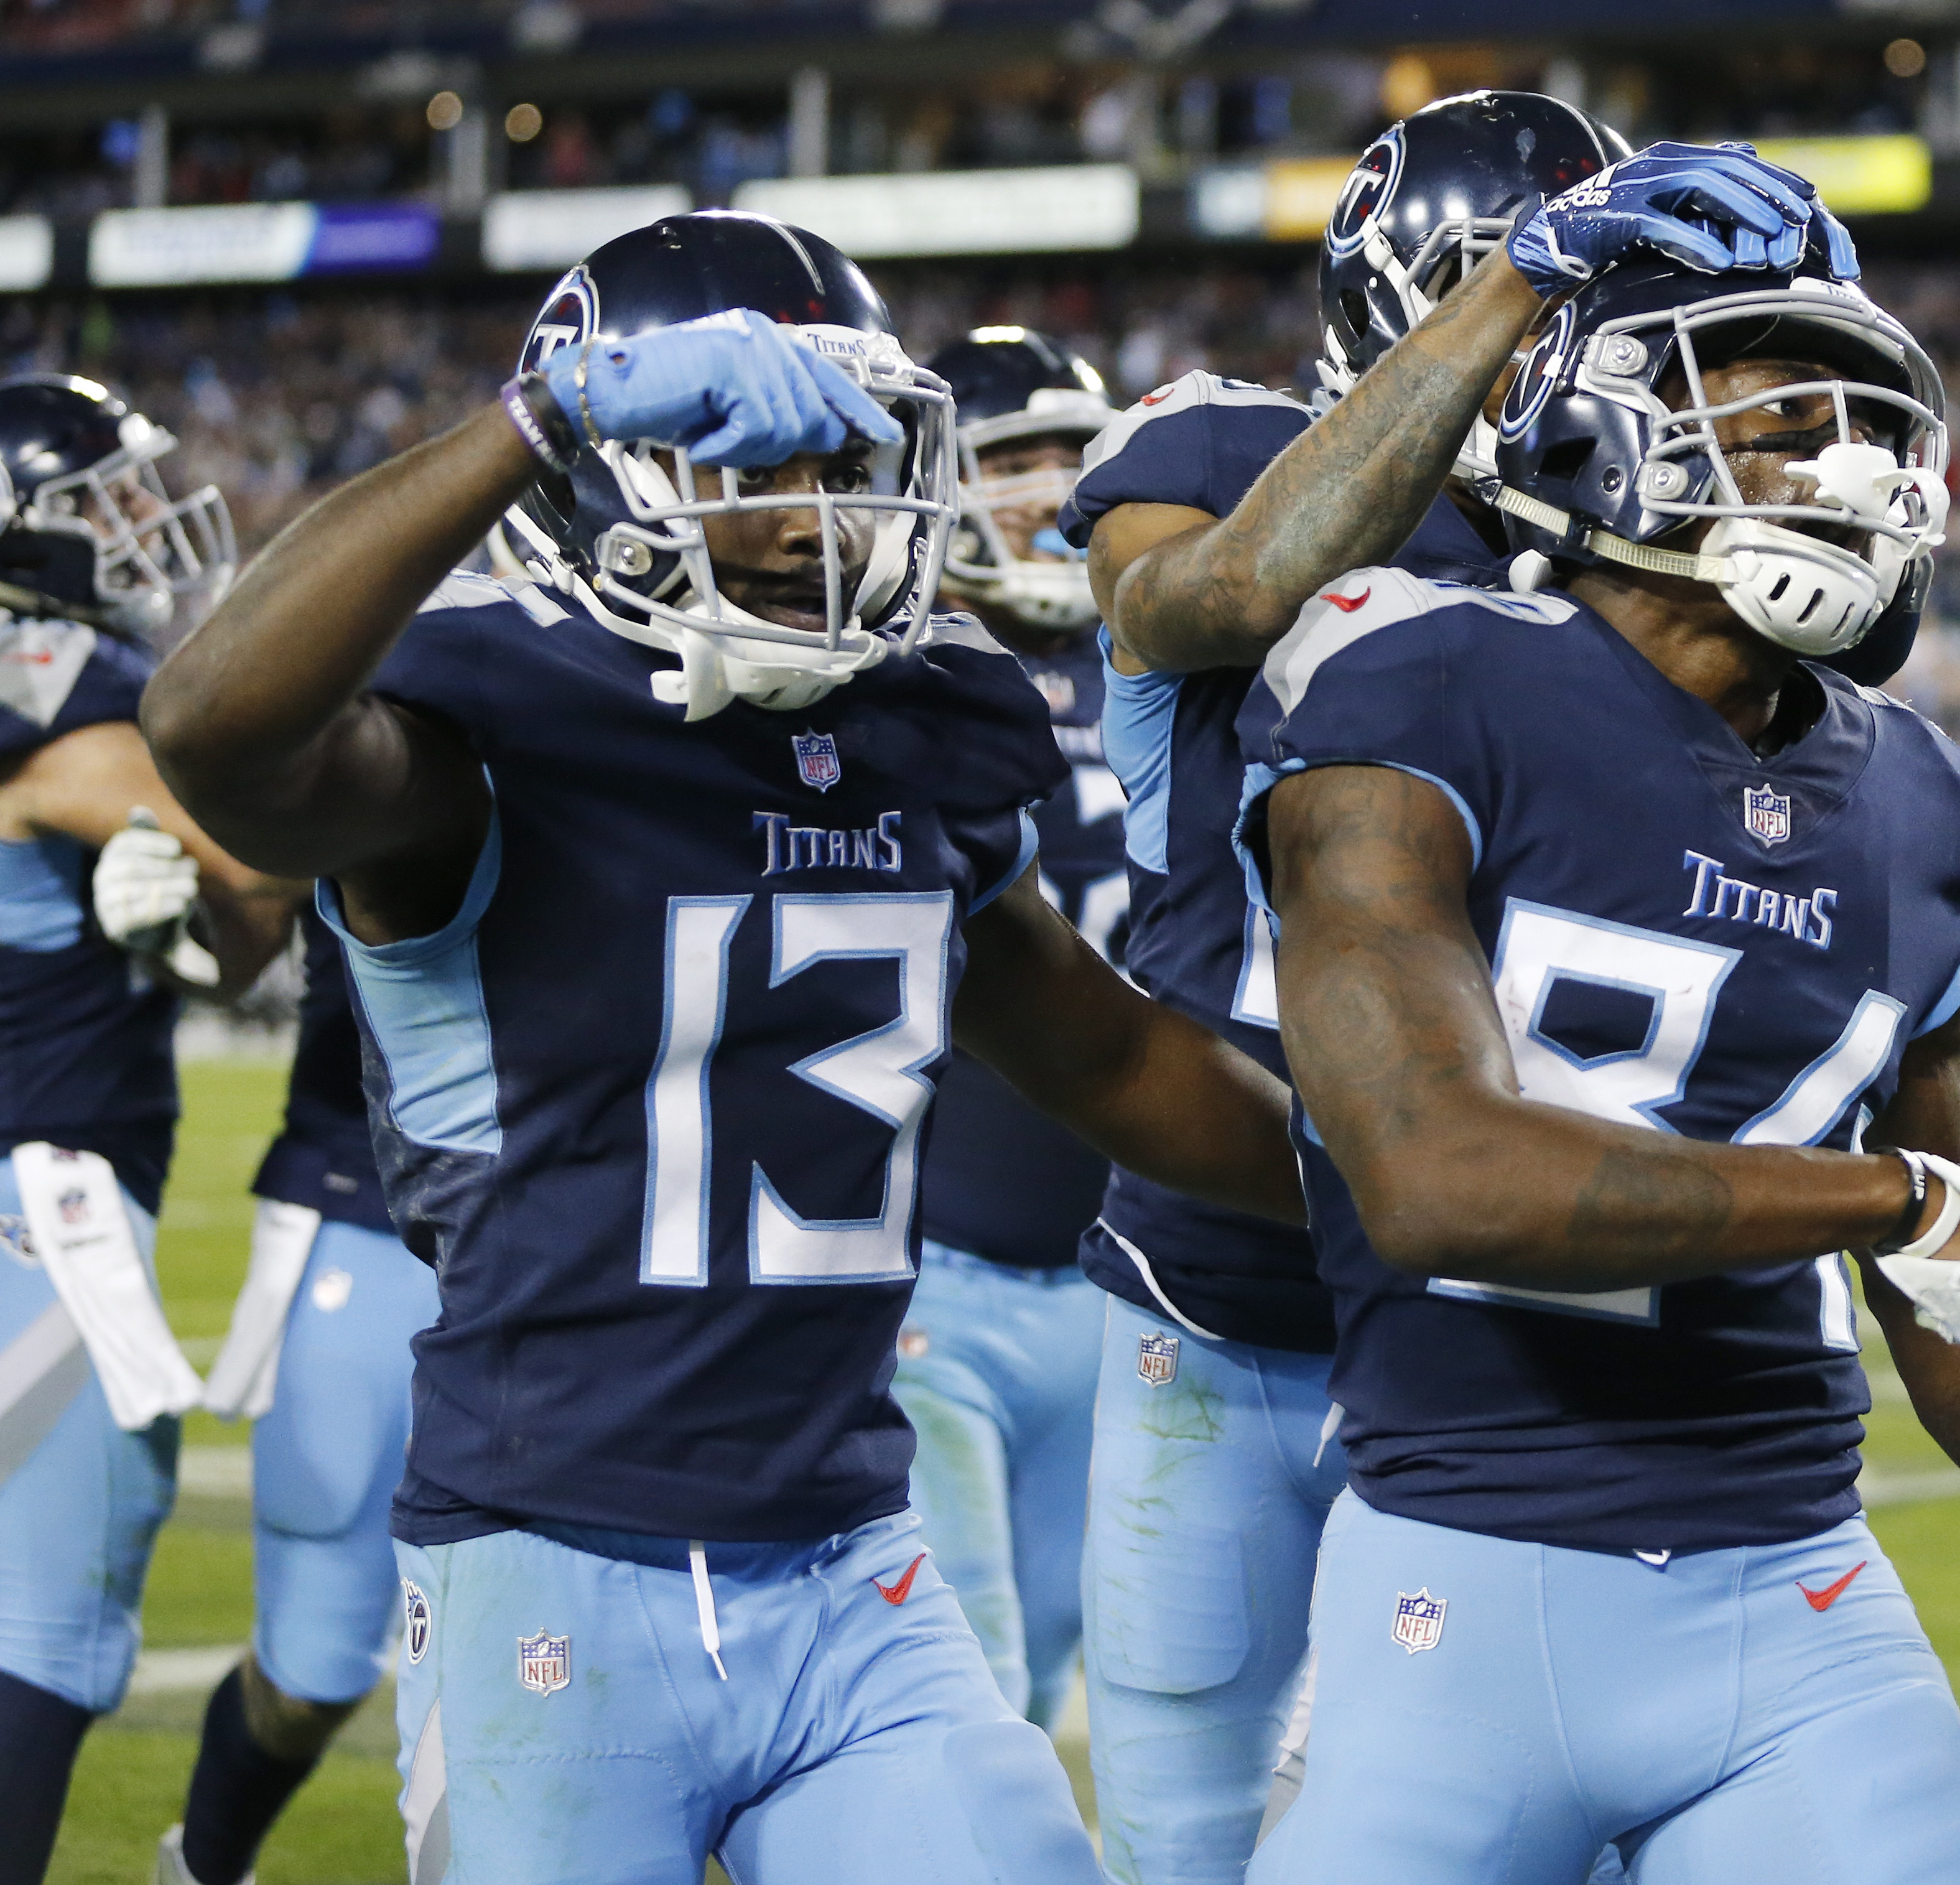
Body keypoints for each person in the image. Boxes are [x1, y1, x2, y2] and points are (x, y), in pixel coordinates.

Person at [138, 211, 1305, 1885]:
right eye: (749, 452)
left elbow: (1109, 1058)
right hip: (553, 1558)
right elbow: (211, 729)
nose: (814, 506)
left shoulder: (920, 726)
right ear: (608, 463)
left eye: (849, 451)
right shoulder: (479, 737)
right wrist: (533, 414)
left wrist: (1371, 1203)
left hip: (853, 1567)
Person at [1234, 244, 1960, 1883]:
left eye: (1872, 427)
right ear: (1602, 435)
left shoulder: (1934, 810)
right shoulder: (1418, 686)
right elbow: (1432, 1174)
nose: (1847, 465)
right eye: (1781, 418)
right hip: (1463, 1572)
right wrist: (1887, 1196)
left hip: (1792, 1594)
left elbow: (1957, 1279)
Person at [1057, 98, 1874, 1881]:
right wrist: (1521, 276)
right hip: (1222, 1291)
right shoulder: (1219, 444)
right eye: (1541, 300)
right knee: (1183, 1842)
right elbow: (1232, 587)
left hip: (1497, 1330)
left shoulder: (1627, 552)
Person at [0, 372, 297, 1885]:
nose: (139, 524)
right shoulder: (63, 699)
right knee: (51, 1616)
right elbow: (275, 840)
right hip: (39, 1206)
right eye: (101, 501)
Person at [890, 326, 1122, 1732]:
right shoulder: (896, 676)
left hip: (1112, 1270)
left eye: (1064, 457)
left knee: (1039, 1672)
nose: (1044, 490)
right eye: (1008, 459)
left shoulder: (1168, 669)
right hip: (933, 1261)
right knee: (961, 1689)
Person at [153, 911, 440, 1885]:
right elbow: (235, 927)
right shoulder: (374, 752)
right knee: (310, 1669)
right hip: (366, 1201)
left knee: (611, 1668)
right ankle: (201, 1865)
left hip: (605, 1237)